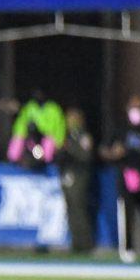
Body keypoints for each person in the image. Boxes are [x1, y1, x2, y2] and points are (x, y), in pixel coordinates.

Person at [99, 95, 140, 260]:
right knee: (127, 215)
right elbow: (104, 150)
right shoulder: (121, 129)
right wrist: (114, 153)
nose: (137, 111)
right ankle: (128, 250)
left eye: (139, 108)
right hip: (126, 177)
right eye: (134, 107)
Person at [58, 108, 94, 253]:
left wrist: (70, 149)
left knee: (79, 209)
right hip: (67, 175)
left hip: (79, 176)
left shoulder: (83, 137)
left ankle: (85, 243)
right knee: (70, 209)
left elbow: (85, 156)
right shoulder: (67, 136)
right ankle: (75, 243)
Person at [7, 88, 65, 168]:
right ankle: (13, 163)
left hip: (45, 138)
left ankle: (45, 164)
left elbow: (60, 127)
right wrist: (21, 136)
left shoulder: (53, 108)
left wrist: (59, 142)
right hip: (31, 138)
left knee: (49, 142)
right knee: (18, 140)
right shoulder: (30, 107)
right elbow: (20, 123)